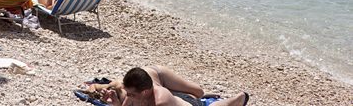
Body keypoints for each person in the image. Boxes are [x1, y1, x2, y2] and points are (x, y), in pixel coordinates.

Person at [88, 66, 249, 106]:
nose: (128, 98)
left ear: (144, 92)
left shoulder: (161, 101)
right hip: (173, 95)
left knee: (202, 99)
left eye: (131, 95)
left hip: (188, 104)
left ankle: (237, 99)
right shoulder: (133, 92)